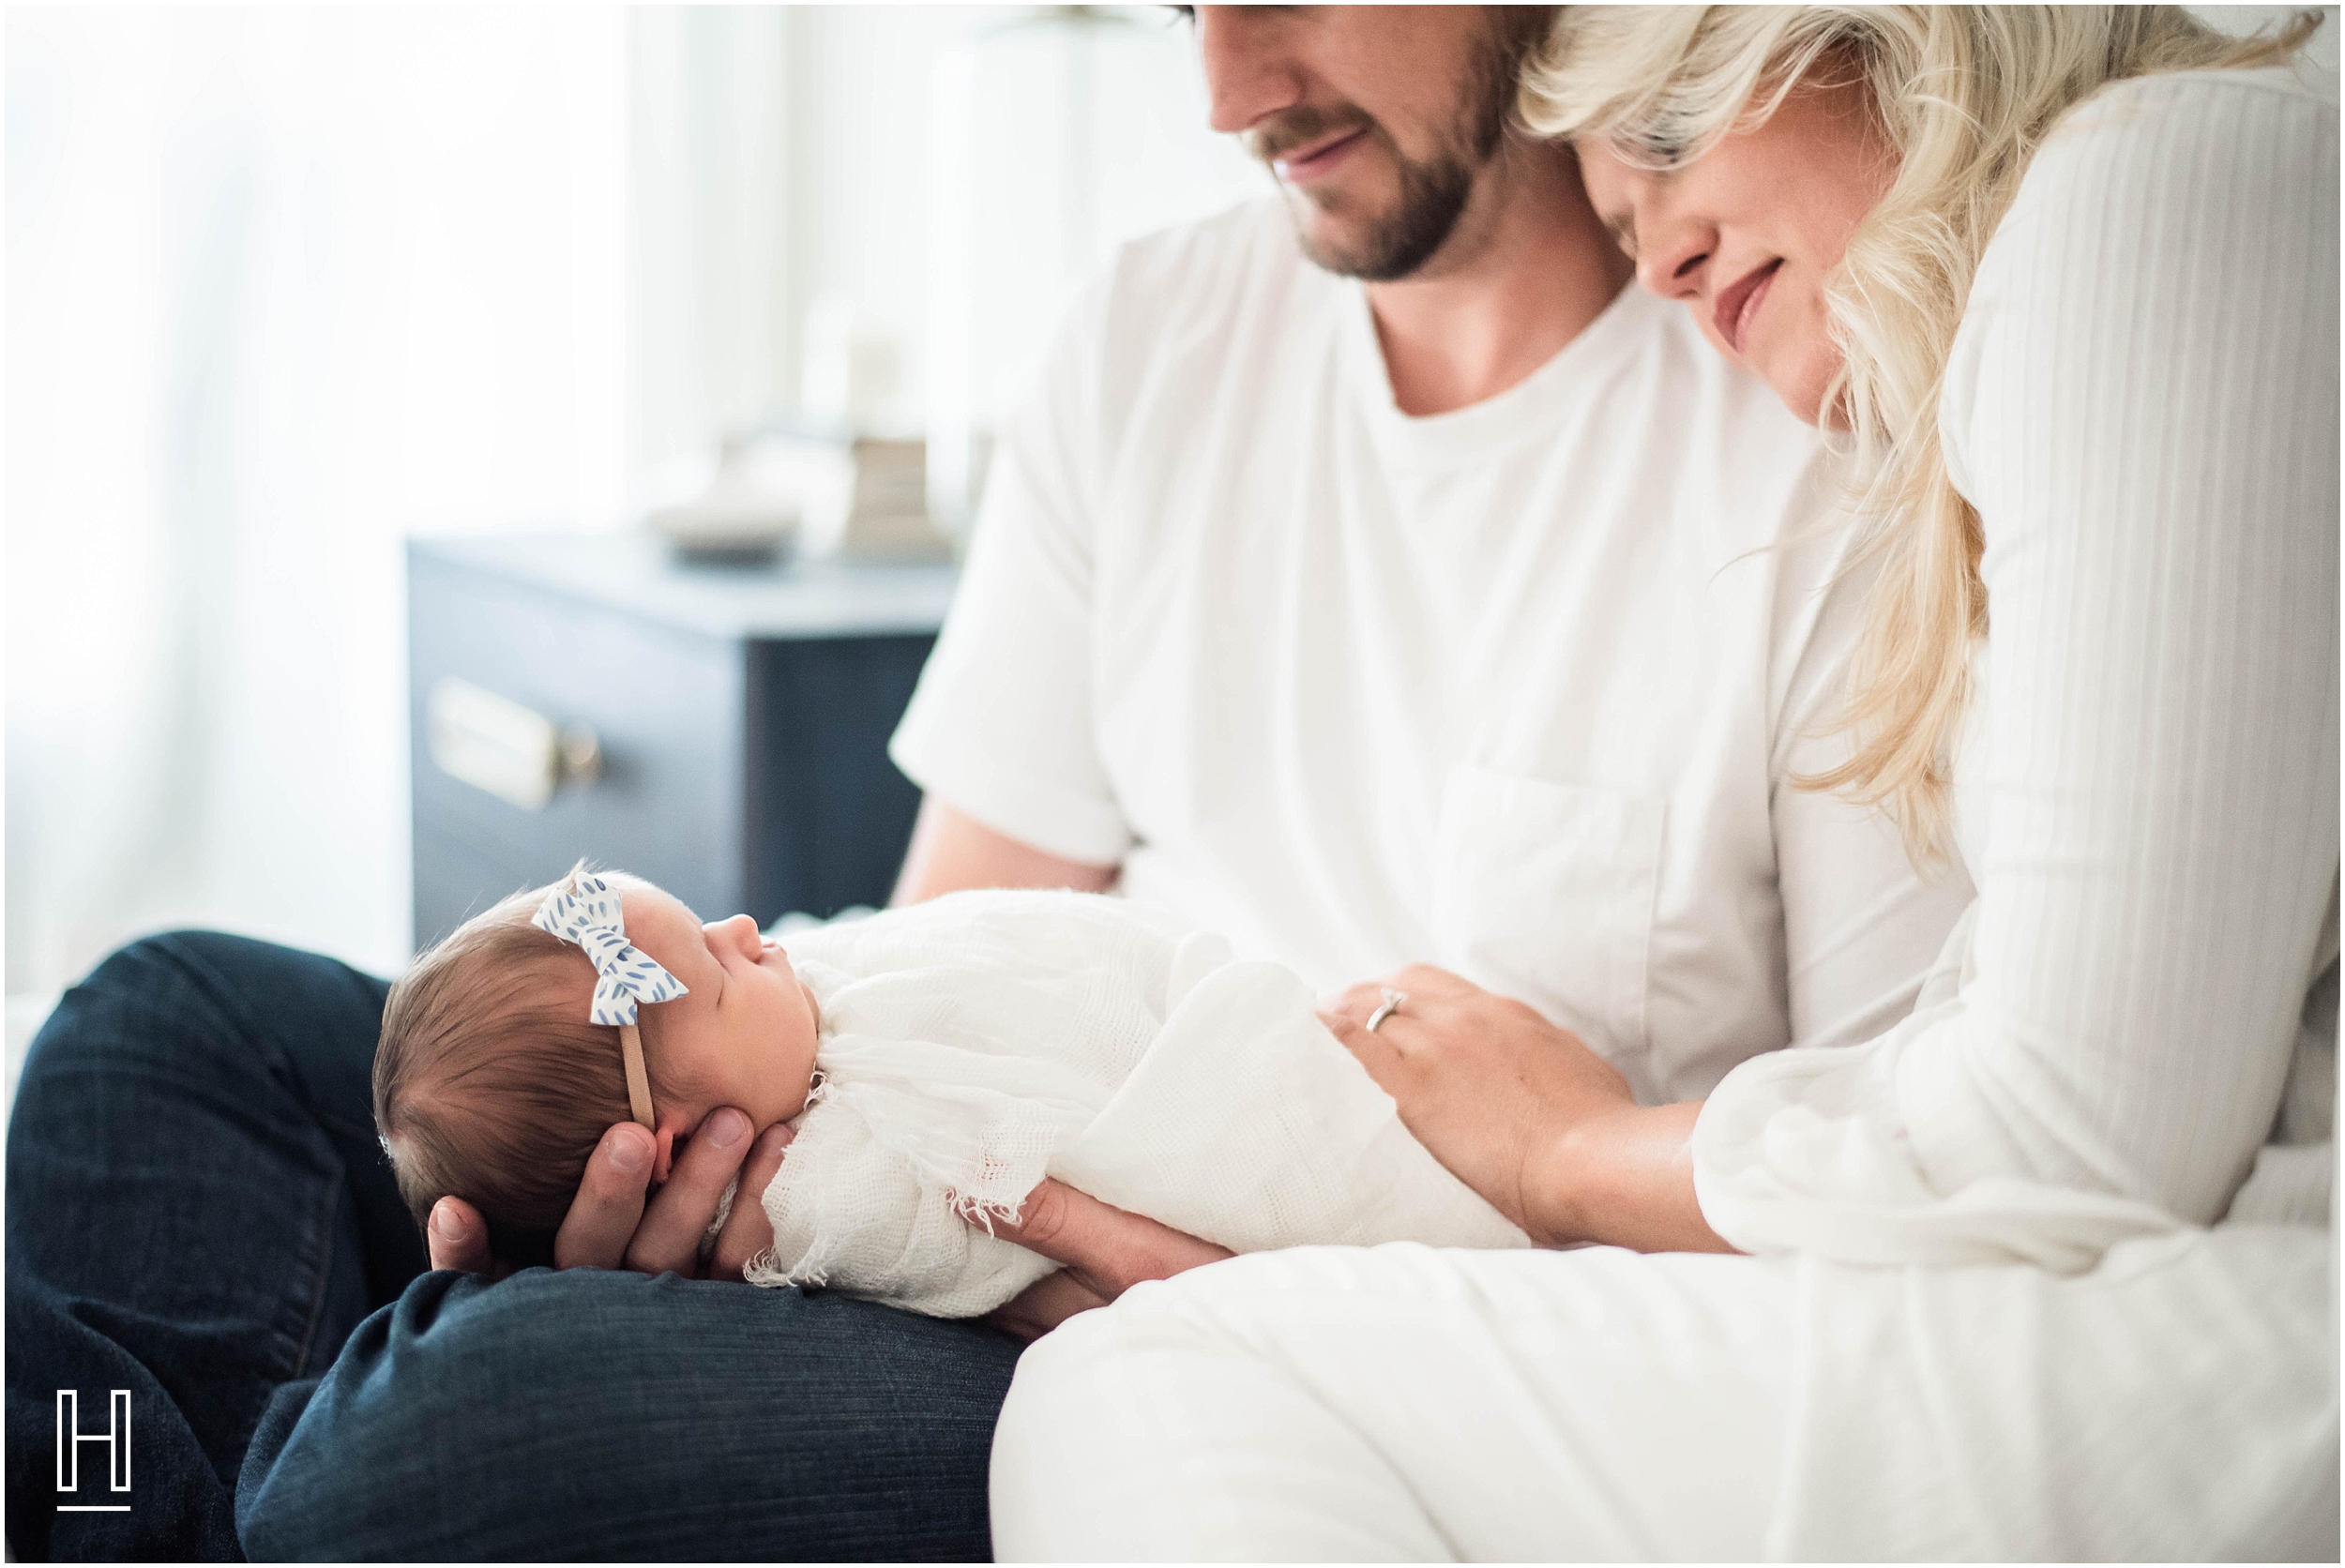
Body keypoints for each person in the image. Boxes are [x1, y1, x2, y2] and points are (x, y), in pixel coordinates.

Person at [5, 8, 1965, 1559]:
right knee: (164, 1020)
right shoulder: (1156, 330)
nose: (1217, 83)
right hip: (908, 1137)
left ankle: (157, 1498)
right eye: (1182, 1)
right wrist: (727, 1125)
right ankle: (135, 1525)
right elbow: (948, 928)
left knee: (430, 1436)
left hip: (1199, 1314)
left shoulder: (1791, 393)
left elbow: (1875, 1187)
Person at [988, 7, 2340, 1560]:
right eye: (1620, 213)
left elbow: (2078, 1131)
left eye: (1679, 115)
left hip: (2247, 1334)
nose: (1662, 272)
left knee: (1168, 1367)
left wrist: (1561, 1150)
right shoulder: (2047, 312)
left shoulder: (2160, 186)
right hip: (2173, 1310)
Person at [377, 868, 1521, 1317]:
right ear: (674, 1147)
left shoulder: (788, 1013)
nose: (744, 929)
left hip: (1261, 1050)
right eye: (718, 964)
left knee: (445, 1399)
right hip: (1179, 1166)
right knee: (200, 996)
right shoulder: (829, 1181)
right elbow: (952, 1239)